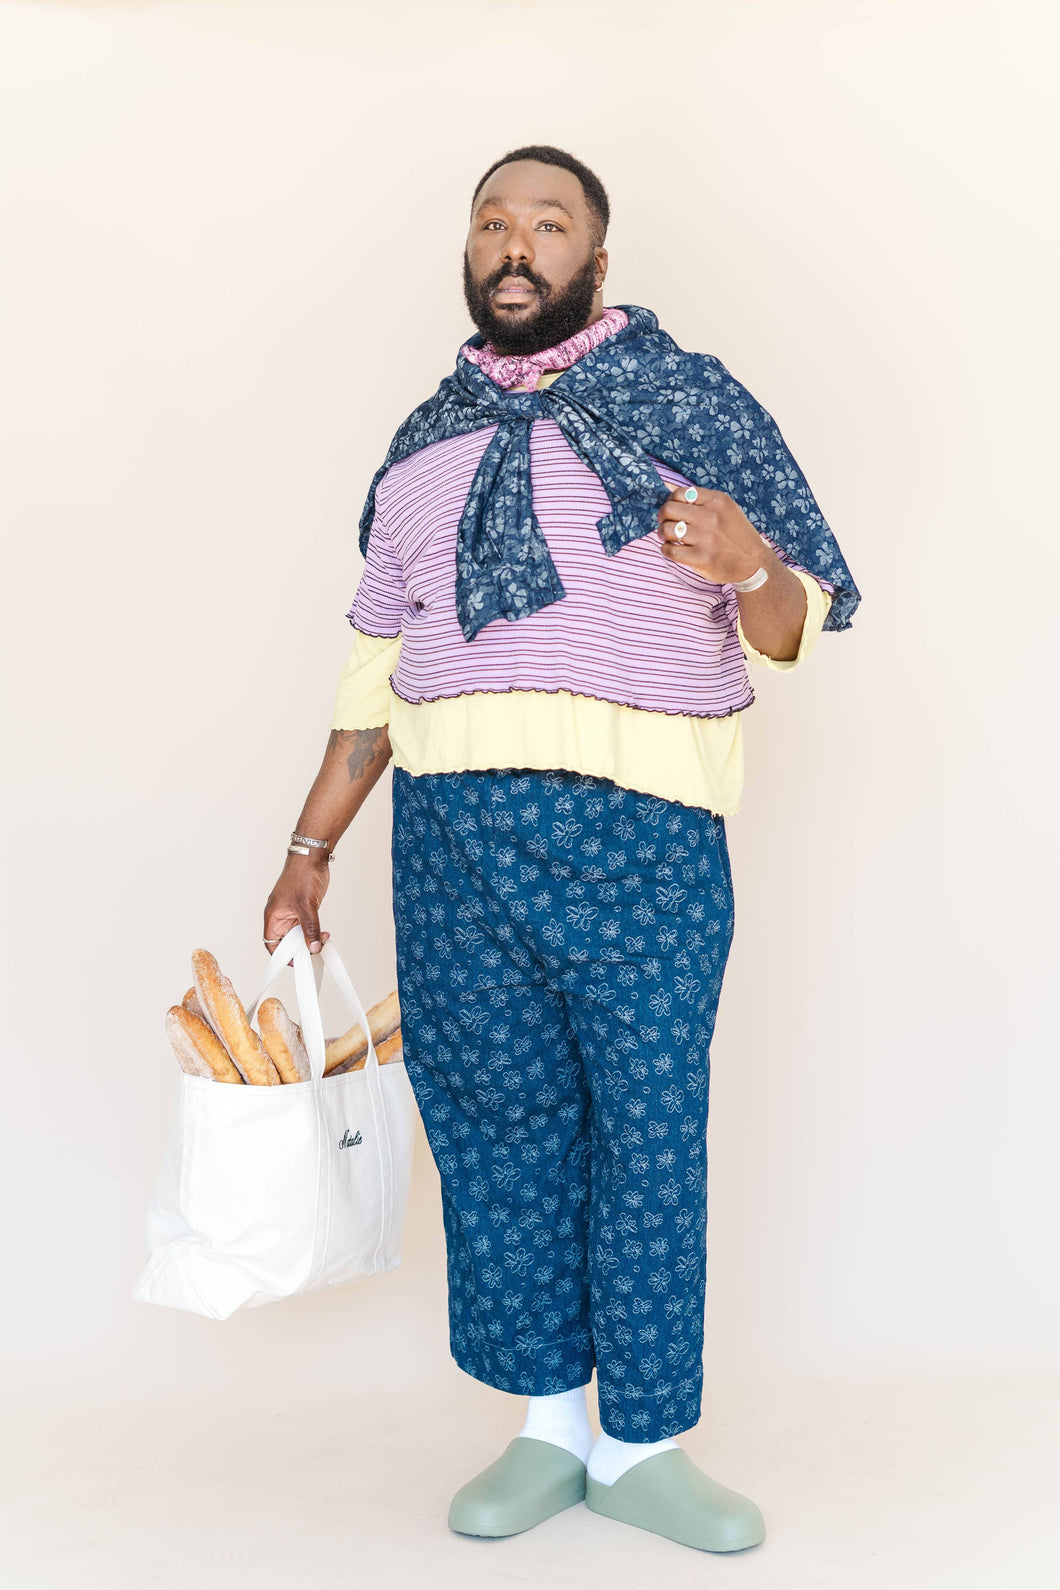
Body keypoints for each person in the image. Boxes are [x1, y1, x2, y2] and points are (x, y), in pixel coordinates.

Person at [263, 143, 859, 1554]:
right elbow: (373, 671)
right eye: (493, 223)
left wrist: (750, 563)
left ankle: (644, 1444)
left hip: (643, 833)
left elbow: (795, 625)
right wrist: (309, 847)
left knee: (647, 1126)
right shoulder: (422, 446)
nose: (516, 245)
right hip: (454, 839)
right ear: (471, 253)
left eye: (549, 223)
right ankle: (549, 1426)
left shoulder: (691, 406)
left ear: (598, 259)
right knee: (497, 1125)